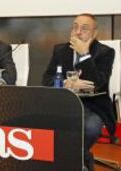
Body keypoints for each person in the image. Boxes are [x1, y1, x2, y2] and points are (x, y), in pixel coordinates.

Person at [42, 13, 115, 171]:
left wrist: (84, 55)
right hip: (63, 104)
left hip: (92, 106)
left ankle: (73, 160)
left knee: (90, 127)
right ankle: (81, 159)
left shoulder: (105, 52)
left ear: (94, 33)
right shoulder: (60, 49)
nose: (77, 31)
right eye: (75, 26)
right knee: (42, 124)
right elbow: (46, 79)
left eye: (84, 28)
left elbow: (98, 84)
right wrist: (66, 83)